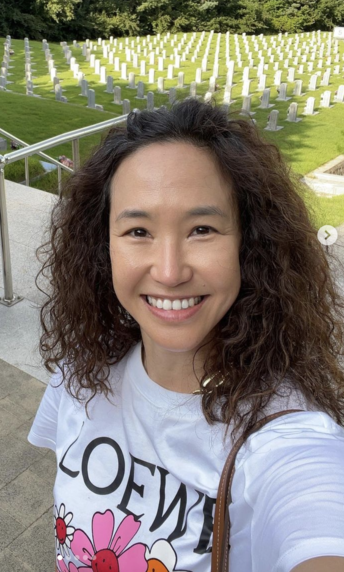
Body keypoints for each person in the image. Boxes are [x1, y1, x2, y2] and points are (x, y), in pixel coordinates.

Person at [28, 99, 344, 572]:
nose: (170, 272)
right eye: (138, 230)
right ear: (103, 245)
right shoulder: (80, 375)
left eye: (202, 229)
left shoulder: (284, 437)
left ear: (248, 243)